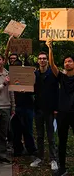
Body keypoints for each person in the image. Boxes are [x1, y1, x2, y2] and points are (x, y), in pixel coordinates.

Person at [46, 39, 74, 176]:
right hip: (63, 114)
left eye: (70, 61)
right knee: (62, 142)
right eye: (65, 62)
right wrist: (50, 48)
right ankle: (62, 168)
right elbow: (52, 65)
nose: (67, 63)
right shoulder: (61, 77)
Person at [30, 51, 58, 171]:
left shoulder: (53, 74)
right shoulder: (34, 74)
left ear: (47, 60)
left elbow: (57, 92)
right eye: (40, 58)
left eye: (44, 58)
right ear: (38, 61)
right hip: (38, 109)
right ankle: (40, 158)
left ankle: (53, 159)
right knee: (40, 136)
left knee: (51, 136)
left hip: (50, 110)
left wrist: (56, 108)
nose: (42, 60)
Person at [10, 60, 37, 158]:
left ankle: (31, 149)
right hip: (15, 107)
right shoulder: (10, 77)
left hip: (27, 106)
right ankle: (18, 149)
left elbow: (34, 90)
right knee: (16, 130)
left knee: (28, 129)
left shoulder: (27, 76)